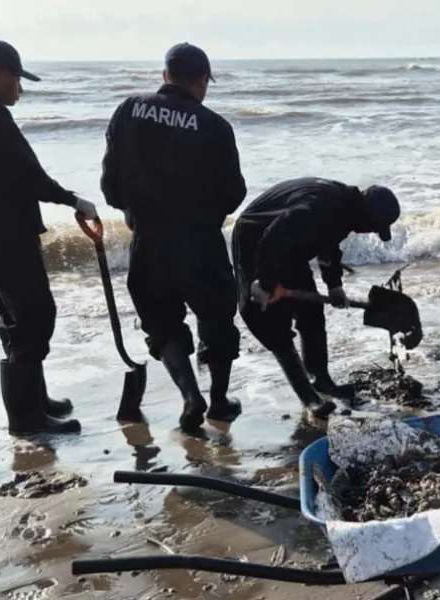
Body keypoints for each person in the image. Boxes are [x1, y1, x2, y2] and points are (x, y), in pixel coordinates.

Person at [0, 38, 98, 436]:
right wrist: (72, 200)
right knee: (35, 316)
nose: (20, 89)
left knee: (14, 318)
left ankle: (34, 401)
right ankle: (26, 419)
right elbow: (27, 173)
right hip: (4, 231)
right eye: (16, 78)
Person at [99, 42, 247, 432]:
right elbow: (234, 193)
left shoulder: (129, 109)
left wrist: (128, 208)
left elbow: (110, 181)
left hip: (148, 239)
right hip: (200, 240)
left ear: (165, 76)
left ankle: (188, 395)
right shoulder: (215, 126)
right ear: (201, 82)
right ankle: (218, 401)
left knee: (162, 322)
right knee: (216, 319)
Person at [235, 177, 402, 419]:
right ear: (367, 216)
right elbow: (274, 237)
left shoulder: (345, 209)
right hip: (256, 240)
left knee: (310, 312)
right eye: (375, 227)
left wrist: (334, 285)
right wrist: (265, 282)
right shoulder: (318, 207)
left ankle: (321, 380)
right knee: (269, 321)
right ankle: (309, 398)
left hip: (287, 248)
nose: (373, 232)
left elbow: (328, 244)